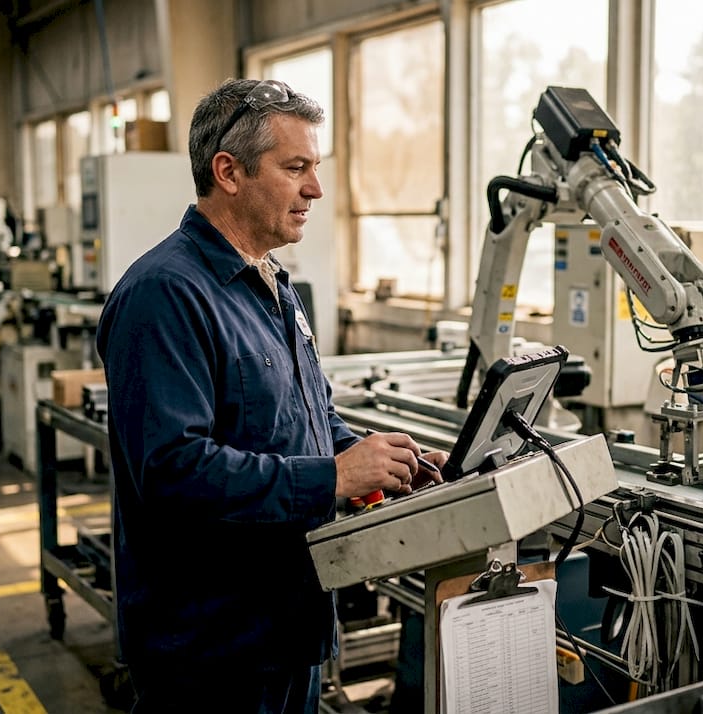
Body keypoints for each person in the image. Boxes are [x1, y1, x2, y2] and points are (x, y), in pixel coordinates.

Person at [96, 78, 447, 713]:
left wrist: (378, 459)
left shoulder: (271, 283)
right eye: (296, 168)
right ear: (228, 171)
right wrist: (331, 477)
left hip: (287, 624)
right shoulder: (165, 295)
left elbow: (300, 422)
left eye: (315, 169)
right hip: (211, 651)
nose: (315, 189)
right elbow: (173, 472)